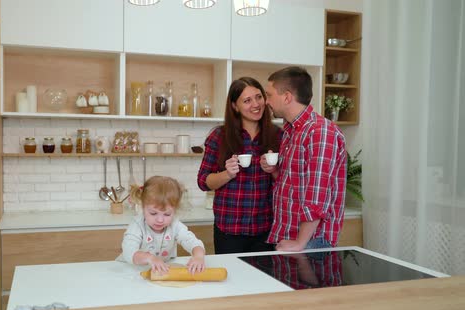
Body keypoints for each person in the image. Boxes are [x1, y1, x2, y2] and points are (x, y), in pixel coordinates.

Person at [262, 66, 347, 251]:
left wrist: (300, 243)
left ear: (286, 97)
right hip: (291, 236)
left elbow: (317, 195)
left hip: (312, 242)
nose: (265, 101)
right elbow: (294, 184)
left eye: (269, 95)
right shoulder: (291, 131)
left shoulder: (320, 132)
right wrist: (275, 171)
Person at [197, 77, 281, 254]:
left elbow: (288, 183)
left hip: (265, 228)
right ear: (235, 106)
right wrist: (227, 174)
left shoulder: (278, 135)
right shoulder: (219, 136)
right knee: (232, 280)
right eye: (247, 100)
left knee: (263, 279)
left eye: (259, 97)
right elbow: (203, 182)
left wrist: (274, 171)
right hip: (229, 229)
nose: (256, 104)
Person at [118, 176, 205, 274]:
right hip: (132, 270)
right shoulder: (137, 226)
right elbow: (129, 251)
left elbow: (192, 241)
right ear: (143, 206)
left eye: (167, 214)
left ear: (175, 210)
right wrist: (150, 258)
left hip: (160, 270)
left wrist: (198, 256)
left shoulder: (174, 224)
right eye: (153, 213)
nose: (160, 220)